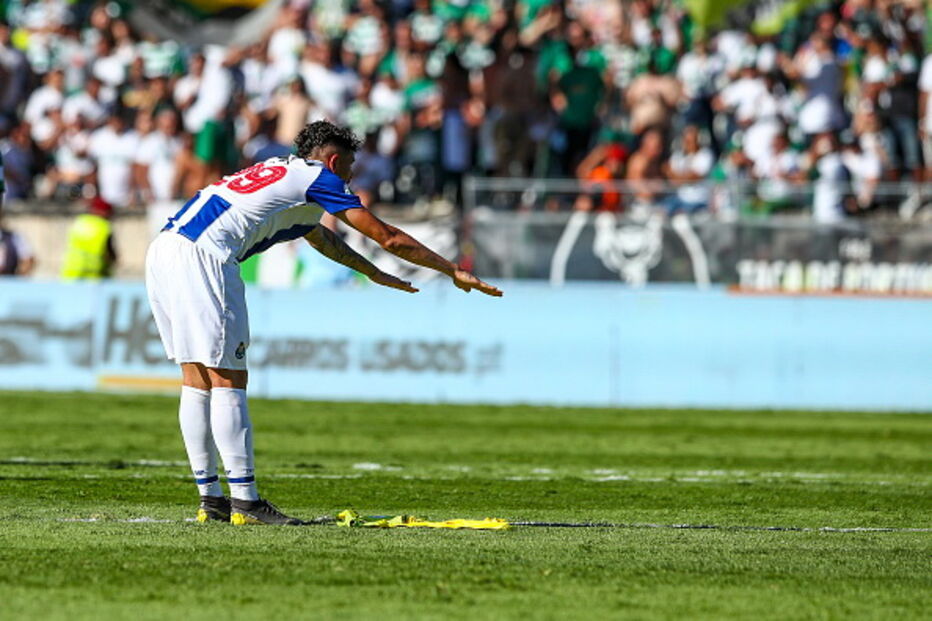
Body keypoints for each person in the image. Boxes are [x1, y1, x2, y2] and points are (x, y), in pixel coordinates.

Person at [145, 121, 502, 525]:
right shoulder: (320, 178)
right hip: (205, 258)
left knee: (196, 379)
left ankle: (211, 499)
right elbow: (388, 236)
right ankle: (246, 501)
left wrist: (370, 271)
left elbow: (319, 236)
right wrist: (451, 269)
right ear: (334, 161)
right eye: (349, 167)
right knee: (228, 379)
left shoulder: (282, 171)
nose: (350, 178)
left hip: (164, 249)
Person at [60, 196, 117, 280]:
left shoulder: (79, 221)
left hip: (71, 271)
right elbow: (108, 253)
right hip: (93, 273)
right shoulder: (104, 226)